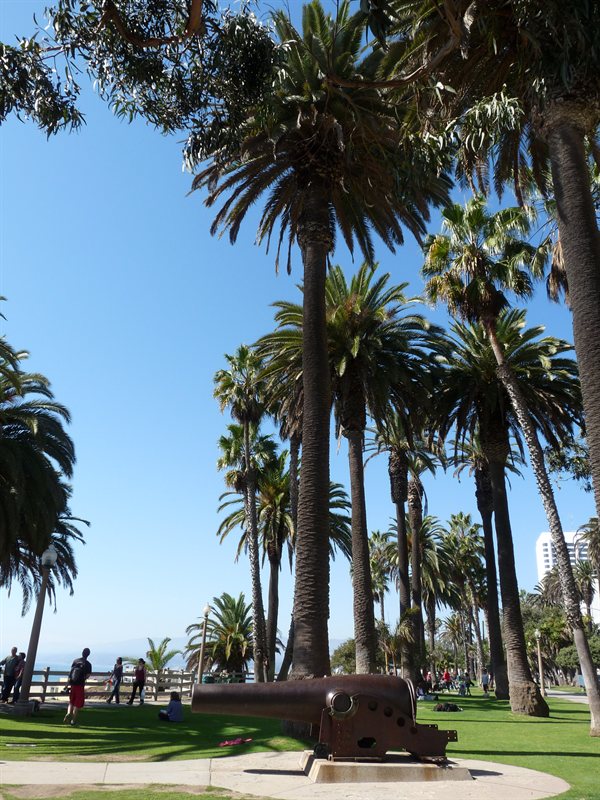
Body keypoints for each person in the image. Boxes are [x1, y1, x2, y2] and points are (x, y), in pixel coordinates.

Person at [64, 648, 92, 725]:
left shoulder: (75, 661)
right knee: (77, 704)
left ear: (82, 653)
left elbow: (70, 673)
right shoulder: (88, 664)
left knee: (71, 701)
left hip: (73, 684)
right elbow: (88, 675)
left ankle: (68, 713)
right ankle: (73, 721)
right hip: (80, 685)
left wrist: (67, 685)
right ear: (88, 654)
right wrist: (83, 678)